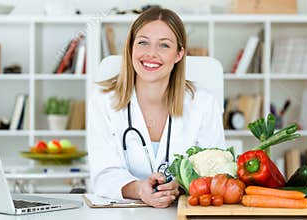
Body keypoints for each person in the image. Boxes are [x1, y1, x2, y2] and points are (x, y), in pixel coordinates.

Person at [87, 7, 225, 208]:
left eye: (164, 45)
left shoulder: (203, 103)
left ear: (179, 54)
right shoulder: (103, 100)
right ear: (131, 48)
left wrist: (182, 186)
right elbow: (104, 174)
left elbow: (215, 169)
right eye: (143, 42)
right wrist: (140, 189)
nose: (151, 54)